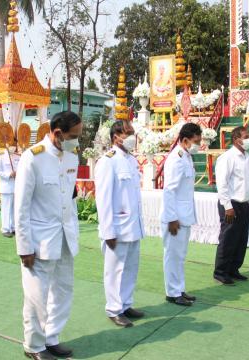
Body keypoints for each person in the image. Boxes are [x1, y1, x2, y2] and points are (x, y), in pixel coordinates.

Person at [14, 112, 82, 360]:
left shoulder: (72, 157)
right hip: (39, 241)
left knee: (63, 290)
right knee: (36, 296)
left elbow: (70, 199)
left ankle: (51, 337)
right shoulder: (32, 158)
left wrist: (74, 232)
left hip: (64, 237)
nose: (77, 141)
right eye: (73, 137)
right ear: (57, 133)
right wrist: (24, 246)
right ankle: (33, 345)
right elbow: (20, 206)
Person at [95, 120, 145, 328]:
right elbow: (104, 199)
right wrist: (108, 231)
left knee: (131, 268)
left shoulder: (131, 160)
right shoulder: (108, 161)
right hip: (116, 227)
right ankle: (114, 309)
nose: (133, 136)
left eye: (133, 132)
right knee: (115, 270)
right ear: (116, 137)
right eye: (128, 133)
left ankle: (125, 304)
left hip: (133, 225)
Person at [161, 123, 202, 307]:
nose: (198, 145)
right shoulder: (176, 159)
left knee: (180, 255)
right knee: (172, 255)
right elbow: (169, 190)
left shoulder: (186, 156)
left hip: (183, 215)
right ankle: (172, 292)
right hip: (175, 218)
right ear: (185, 141)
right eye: (196, 141)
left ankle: (179, 289)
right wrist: (171, 218)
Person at [214, 126, 249, 285]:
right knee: (228, 239)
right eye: (246, 137)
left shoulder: (246, 157)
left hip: (244, 203)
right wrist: (227, 206)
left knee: (240, 239)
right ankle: (220, 271)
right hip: (231, 204)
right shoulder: (228, 157)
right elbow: (222, 184)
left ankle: (234, 269)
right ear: (236, 139)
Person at [0, 142, 20, 237]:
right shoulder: (0, 156)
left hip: (16, 186)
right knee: (6, 209)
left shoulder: (17, 156)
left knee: (14, 209)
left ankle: (13, 228)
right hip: (6, 186)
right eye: (11, 144)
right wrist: (9, 175)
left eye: (14, 144)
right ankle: (5, 229)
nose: (13, 146)